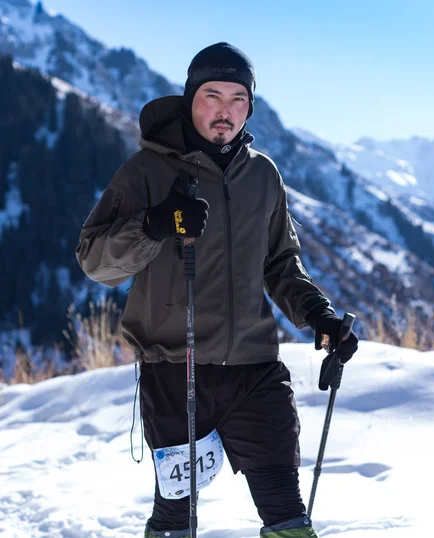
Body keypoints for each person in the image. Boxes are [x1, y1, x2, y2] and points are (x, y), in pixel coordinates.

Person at [76, 42, 359, 538]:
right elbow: (95, 261)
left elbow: (280, 263)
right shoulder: (147, 171)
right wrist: (154, 224)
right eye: (212, 95)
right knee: (176, 516)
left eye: (237, 99)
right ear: (190, 99)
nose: (224, 111)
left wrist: (319, 315)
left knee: (287, 511)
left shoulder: (263, 176)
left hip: (255, 366)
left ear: (250, 106)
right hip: (175, 366)